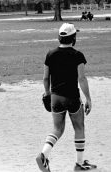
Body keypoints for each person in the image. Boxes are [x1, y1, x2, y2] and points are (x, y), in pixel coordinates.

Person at [36, 23, 97, 172]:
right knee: (79, 127)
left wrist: (47, 93)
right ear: (73, 38)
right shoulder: (78, 55)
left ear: (59, 37)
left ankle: (43, 155)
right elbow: (81, 79)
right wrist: (88, 98)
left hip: (56, 97)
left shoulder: (50, 54)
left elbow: (45, 78)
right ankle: (79, 164)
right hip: (72, 98)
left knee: (57, 129)